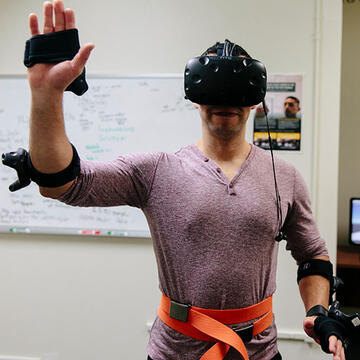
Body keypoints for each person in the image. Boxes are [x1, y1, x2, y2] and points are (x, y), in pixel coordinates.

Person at [25, 1, 345, 359]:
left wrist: (317, 310)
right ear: (194, 97)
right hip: (174, 351)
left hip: (259, 352)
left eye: (237, 91)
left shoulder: (284, 177)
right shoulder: (156, 171)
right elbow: (62, 183)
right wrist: (46, 96)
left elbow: (313, 255)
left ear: (255, 101)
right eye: (213, 89)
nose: (226, 102)